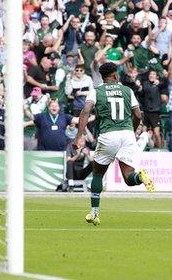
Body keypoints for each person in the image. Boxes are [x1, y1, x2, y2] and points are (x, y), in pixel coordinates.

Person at [73, 62, 155, 226]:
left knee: (98, 174)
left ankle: (94, 213)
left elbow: (85, 111)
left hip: (108, 135)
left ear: (103, 76)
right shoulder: (127, 90)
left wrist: (79, 137)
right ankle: (141, 176)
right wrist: (132, 127)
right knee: (128, 178)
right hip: (127, 135)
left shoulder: (96, 91)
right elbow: (138, 113)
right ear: (115, 75)